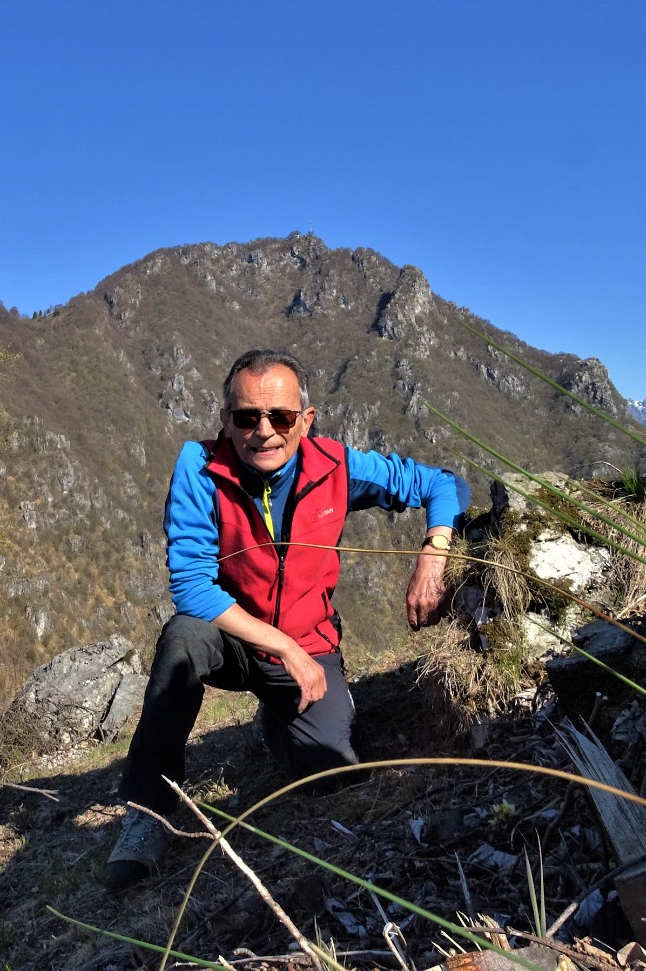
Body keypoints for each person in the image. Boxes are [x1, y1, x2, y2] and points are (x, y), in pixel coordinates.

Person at [105, 348, 470, 889]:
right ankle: (149, 812)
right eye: (247, 417)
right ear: (225, 421)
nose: (264, 431)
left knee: (331, 778)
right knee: (182, 638)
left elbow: (443, 484)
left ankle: (277, 724)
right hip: (233, 641)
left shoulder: (336, 468)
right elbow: (190, 587)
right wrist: (287, 649)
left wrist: (434, 553)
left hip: (310, 644)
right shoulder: (201, 468)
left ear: (307, 419)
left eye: (280, 416)